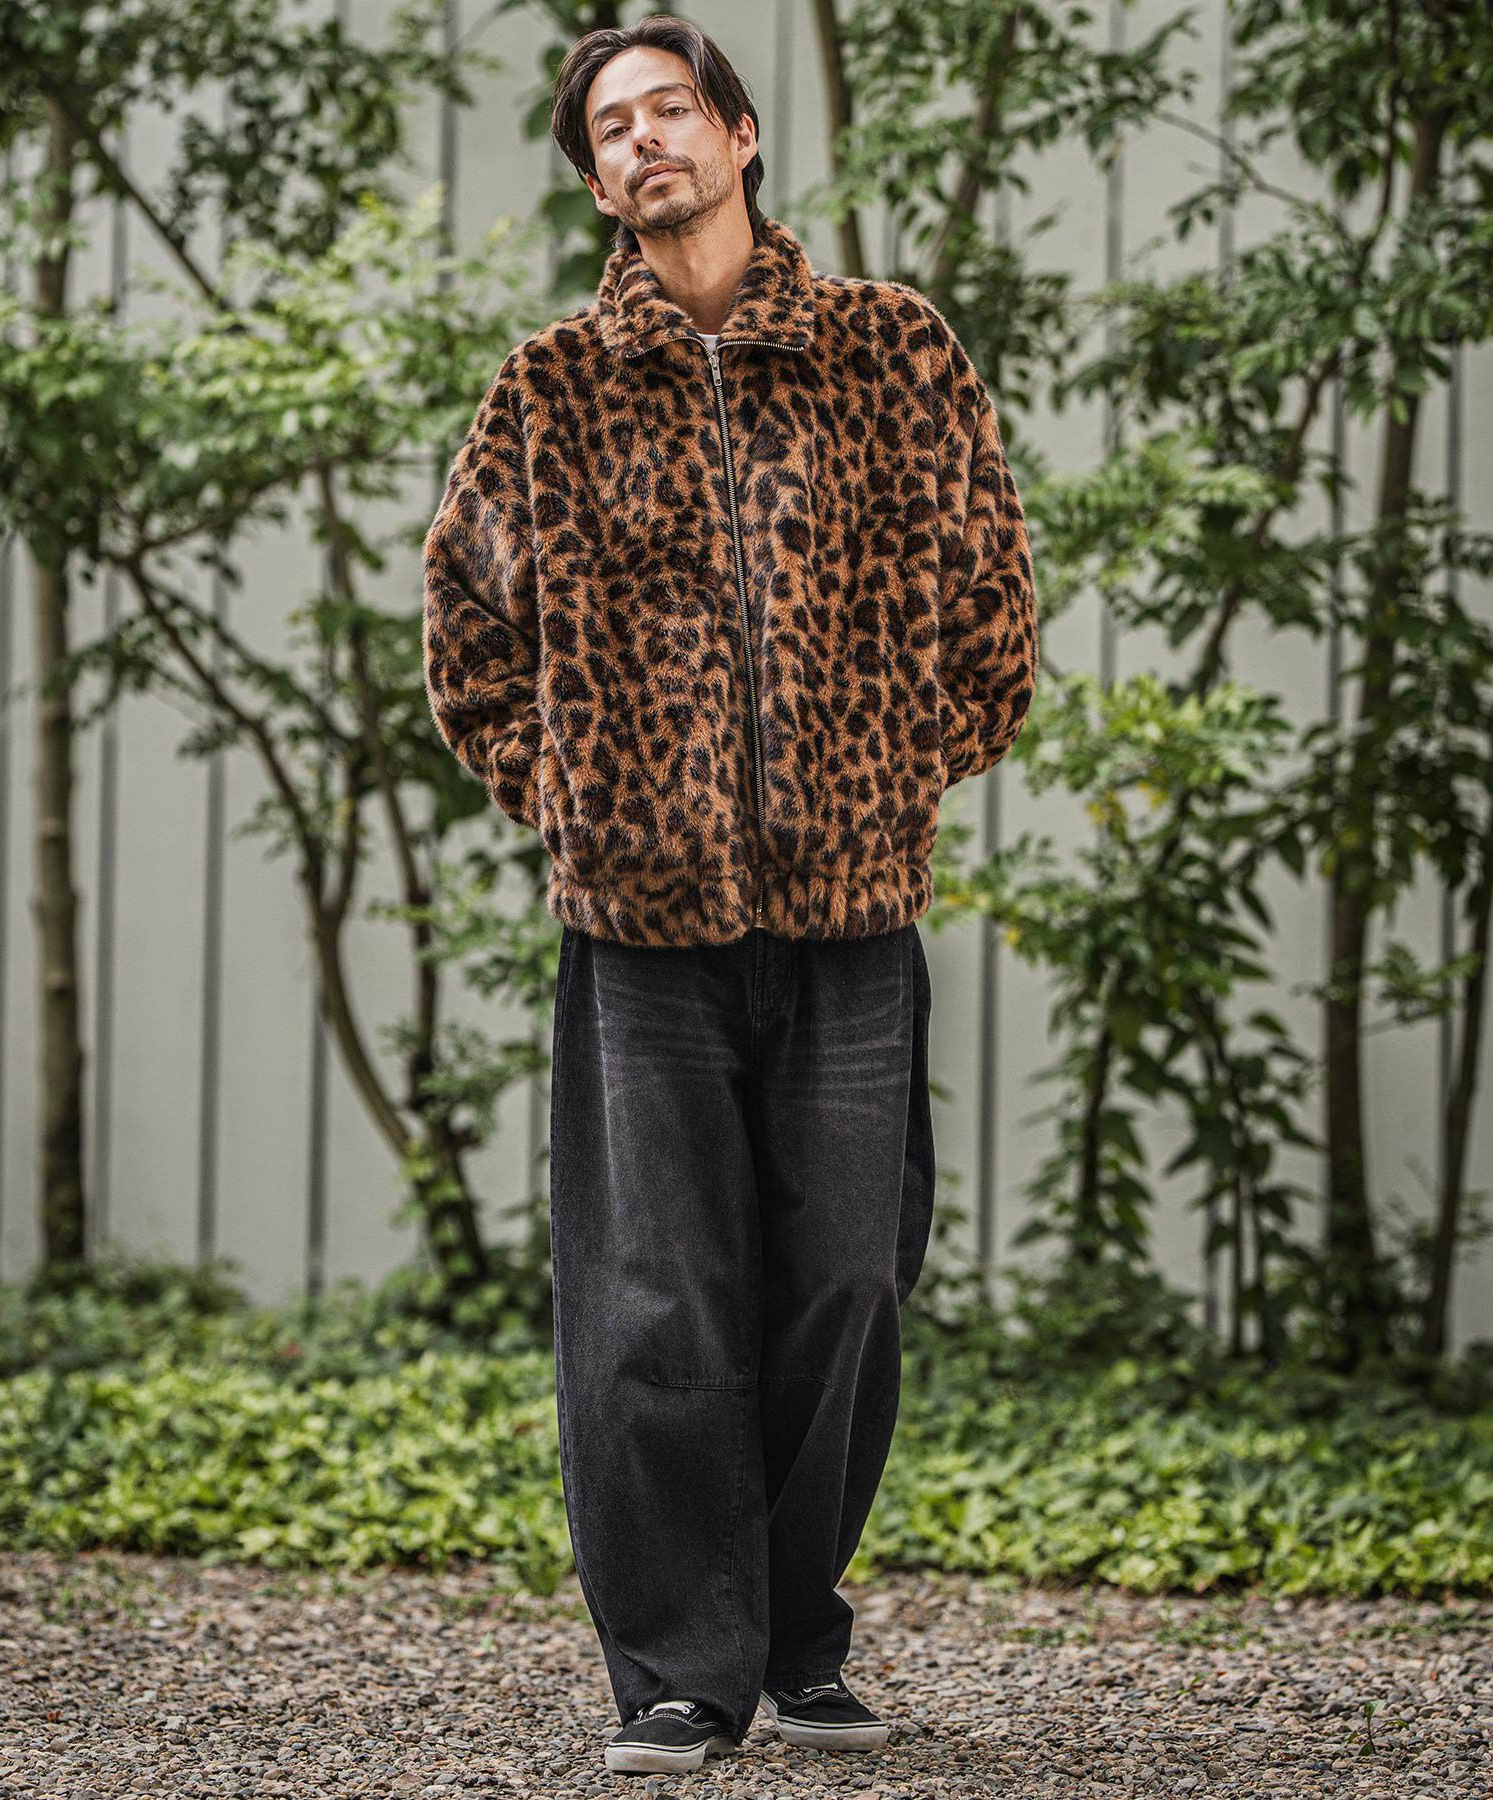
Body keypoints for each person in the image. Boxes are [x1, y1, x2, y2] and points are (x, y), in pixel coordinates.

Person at [421, 13, 1038, 1778]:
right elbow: (465, 627)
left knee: (846, 1282)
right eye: (610, 129)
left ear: (741, 134)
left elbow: (991, 592)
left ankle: (794, 1632)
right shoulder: (552, 387)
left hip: (852, 913)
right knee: (653, 1304)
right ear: (595, 181)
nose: (643, 142)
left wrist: (899, 765)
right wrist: (571, 792)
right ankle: (685, 1674)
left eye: (671, 109)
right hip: (642, 930)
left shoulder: (890, 349)